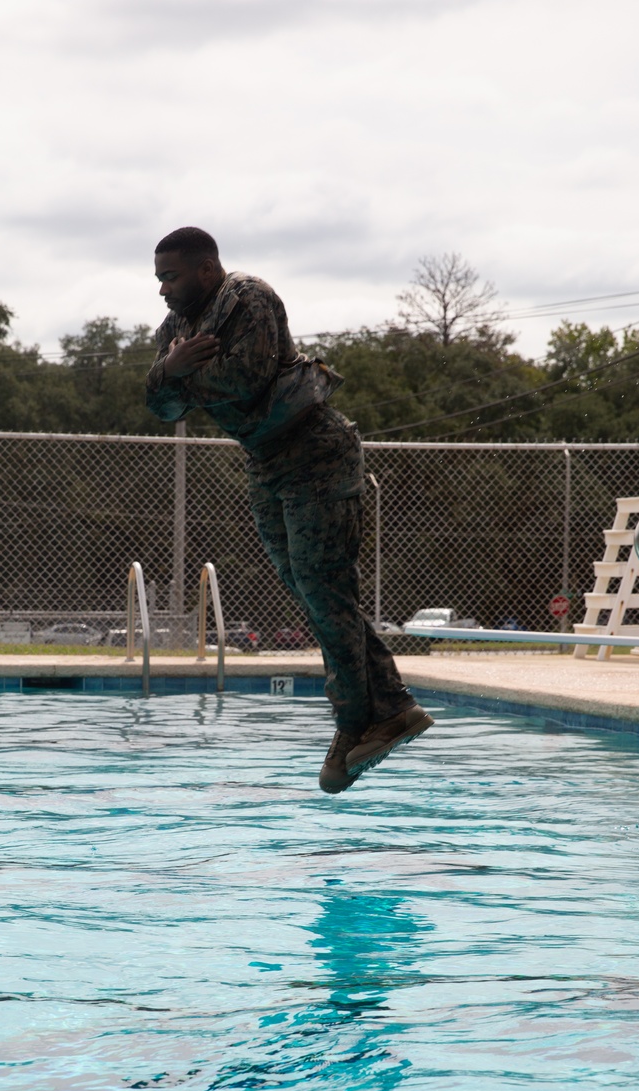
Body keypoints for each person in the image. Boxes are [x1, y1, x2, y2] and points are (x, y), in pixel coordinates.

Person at [144, 226, 432, 793]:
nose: (162, 291)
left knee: (323, 590)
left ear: (206, 269)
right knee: (311, 594)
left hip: (315, 450)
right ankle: (390, 706)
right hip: (265, 461)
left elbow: (245, 380)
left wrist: (182, 375)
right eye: (158, 280)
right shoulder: (178, 328)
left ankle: (356, 725)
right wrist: (169, 373)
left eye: (170, 277)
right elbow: (158, 403)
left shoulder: (248, 298)